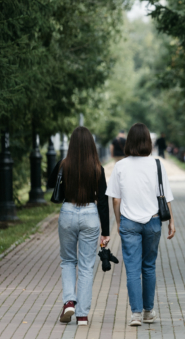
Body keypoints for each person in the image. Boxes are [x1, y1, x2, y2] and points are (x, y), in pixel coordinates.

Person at [107, 123, 177, 327]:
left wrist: (119, 223)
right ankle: (148, 312)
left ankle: (135, 314)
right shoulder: (157, 164)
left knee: (132, 269)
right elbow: (166, 196)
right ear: (148, 142)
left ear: (128, 142)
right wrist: (172, 220)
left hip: (129, 222)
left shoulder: (120, 166)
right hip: (153, 221)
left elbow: (116, 200)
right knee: (148, 267)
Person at [49, 126, 110, 326]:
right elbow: (102, 200)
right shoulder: (97, 168)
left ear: (72, 145)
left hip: (67, 212)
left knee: (67, 261)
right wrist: (106, 231)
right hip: (90, 215)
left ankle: (69, 302)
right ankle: (82, 315)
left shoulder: (63, 164)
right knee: (86, 266)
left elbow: (50, 182)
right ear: (92, 145)